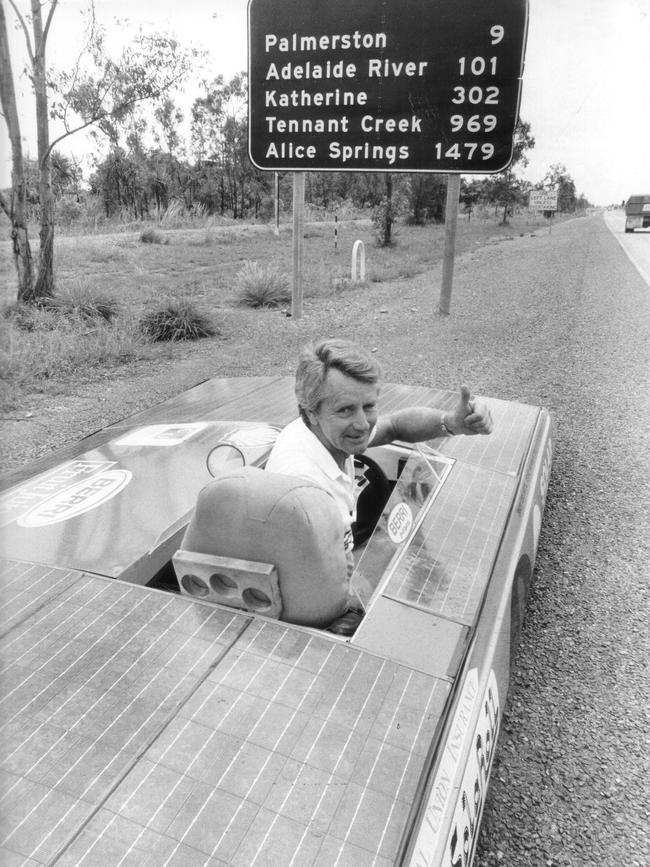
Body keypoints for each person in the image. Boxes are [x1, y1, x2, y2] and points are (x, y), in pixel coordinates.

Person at [265, 338, 494, 632]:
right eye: (346, 410)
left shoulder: (321, 431)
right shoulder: (308, 490)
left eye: (369, 406)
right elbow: (323, 596)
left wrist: (450, 423)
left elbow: (394, 425)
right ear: (311, 411)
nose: (363, 423)